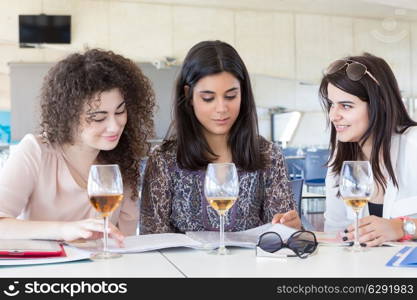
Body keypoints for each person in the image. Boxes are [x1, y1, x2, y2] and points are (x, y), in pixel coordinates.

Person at [140, 40, 300, 234]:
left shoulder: (268, 155)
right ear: (189, 95)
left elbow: (280, 235)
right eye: (208, 98)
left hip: (250, 265)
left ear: (243, 94)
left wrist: (290, 229)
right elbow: (153, 240)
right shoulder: (164, 160)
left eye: (231, 96)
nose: (221, 108)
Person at [0, 49, 155, 244]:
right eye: (98, 117)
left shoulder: (123, 159)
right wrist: (64, 230)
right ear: (68, 116)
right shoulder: (36, 151)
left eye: (120, 111)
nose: (114, 126)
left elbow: (124, 241)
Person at [320, 53, 417, 246]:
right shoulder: (340, 161)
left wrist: (402, 227)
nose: (333, 115)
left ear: (379, 105)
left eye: (346, 106)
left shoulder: (413, 144)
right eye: (331, 105)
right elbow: (336, 233)